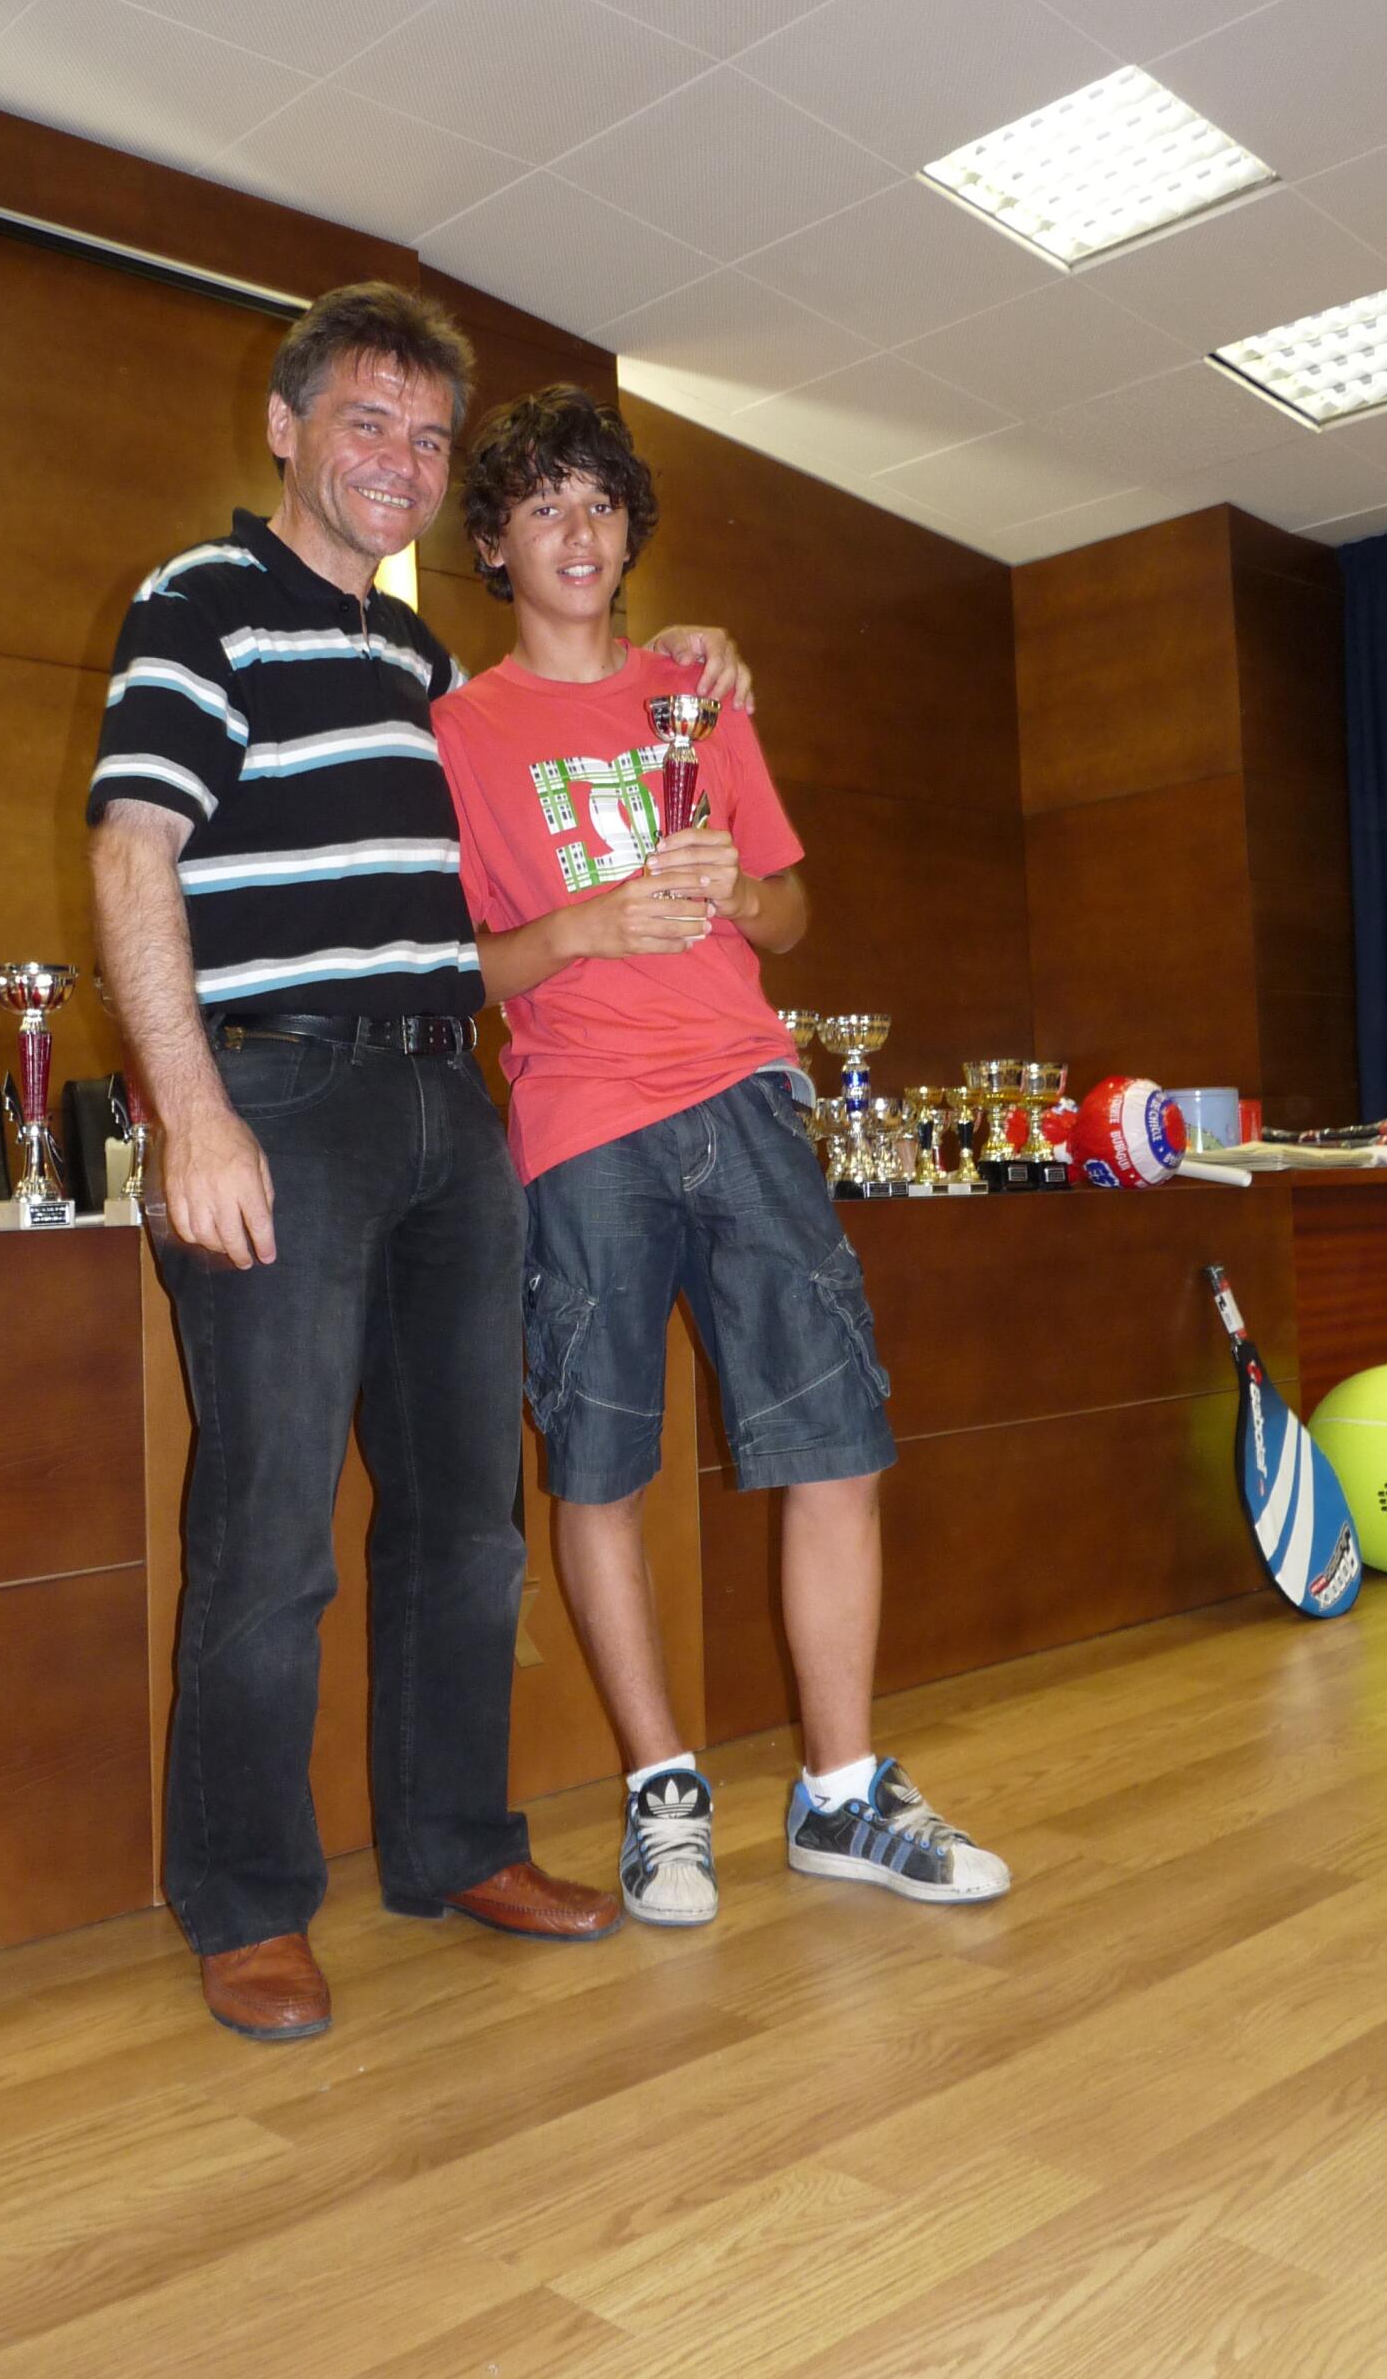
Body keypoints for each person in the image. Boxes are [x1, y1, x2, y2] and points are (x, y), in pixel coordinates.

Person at [87, 282, 752, 2043]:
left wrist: (688, 659)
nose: (399, 457)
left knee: (466, 1521)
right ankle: (245, 1901)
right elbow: (133, 852)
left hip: (449, 1106)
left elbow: (573, 721)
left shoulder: (417, 666)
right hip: (279, 1097)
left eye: (428, 436)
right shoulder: (197, 600)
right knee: (269, 1530)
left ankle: (455, 1843)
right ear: (286, 428)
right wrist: (191, 1111)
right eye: (364, 420)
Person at [433, 386, 1010, 1927]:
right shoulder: (458, 733)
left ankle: (841, 1791)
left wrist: (737, 898)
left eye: (599, 502)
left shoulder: (699, 688)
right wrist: (580, 927)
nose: (575, 530)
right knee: (599, 1467)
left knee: (836, 1446)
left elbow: (791, 910)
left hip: (747, 1093)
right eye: (541, 506)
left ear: (629, 532)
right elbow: (454, 969)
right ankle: (661, 1790)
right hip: (581, 1123)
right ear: (492, 543)